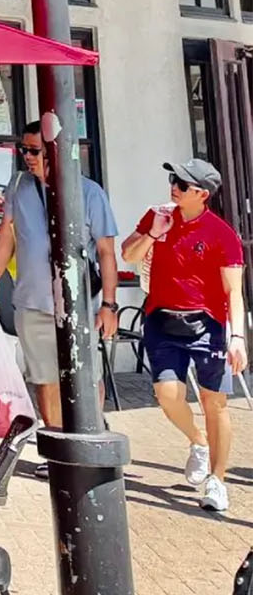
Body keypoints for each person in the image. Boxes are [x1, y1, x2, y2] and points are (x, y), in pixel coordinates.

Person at [0, 120, 119, 442]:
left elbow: (106, 253)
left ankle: (90, 435)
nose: (27, 157)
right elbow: (7, 235)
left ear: (53, 152)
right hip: (32, 301)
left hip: (79, 303)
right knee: (45, 377)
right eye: (23, 150)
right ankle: (57, 440)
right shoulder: (18, 187)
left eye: (34, 150)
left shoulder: (89, 193)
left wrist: (109, 305)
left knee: (86, 374)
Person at [120, 158, 244, 512]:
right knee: (167, 394)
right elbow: (128, 254)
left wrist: (238, 338)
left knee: (214, 402)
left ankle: (217, 481)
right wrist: (152, 233)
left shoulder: (222, 234)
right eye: (174, 179)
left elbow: (234, 291)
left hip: (208, 325)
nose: (174, 187)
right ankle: (198, 441)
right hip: (161, 319)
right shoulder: (157, 215)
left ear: (202, 194)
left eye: (183, 184)